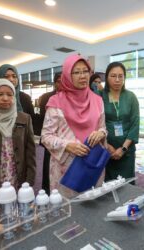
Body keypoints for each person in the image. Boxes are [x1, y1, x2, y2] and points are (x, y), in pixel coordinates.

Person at [41, 54, 107, 192]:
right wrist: (67, 145)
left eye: (85, 71)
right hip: (66, 167)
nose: (82, 76)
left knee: (92, 203)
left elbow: (103, 128)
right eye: (76, 72)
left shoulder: (98, 100)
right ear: (67, 75)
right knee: (67, 208)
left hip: (91, 162)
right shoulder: (56, 102)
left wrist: (100, 133)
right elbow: (46, 136)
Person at [101, 62, 139, 181]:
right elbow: (96, 123)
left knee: (126, 184)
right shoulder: (99, 97)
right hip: (106, 148)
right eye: (113, 76)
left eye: (120, 76)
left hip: (126, 150)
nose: (117, 80)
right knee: (107, 185)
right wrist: (107, 146)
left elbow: (135, 124)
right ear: (107, 77)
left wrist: (123, 149)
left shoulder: (131, 97)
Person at [38, 72, 61, 194]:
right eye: (58, 81)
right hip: (50, 136)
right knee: (48, 165)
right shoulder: (48, 97)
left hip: (64, 140)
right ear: (54, 83)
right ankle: (47, 190)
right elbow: (43, 119)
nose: (61, 83)